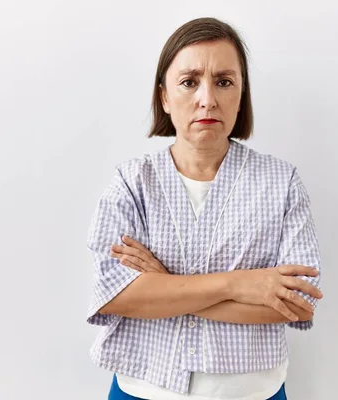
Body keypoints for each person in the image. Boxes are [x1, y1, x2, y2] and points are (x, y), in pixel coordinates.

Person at [86, 17, 323, 400]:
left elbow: (299, 303)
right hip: (142, 389)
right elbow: (114, 295)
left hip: (252, 392)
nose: (207, 99)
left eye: (224, 81)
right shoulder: (131, 183)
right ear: (164, 96)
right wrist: (242, 284)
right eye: (189, 81)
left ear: (241, 94)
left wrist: (163, 286)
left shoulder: (282, 183)